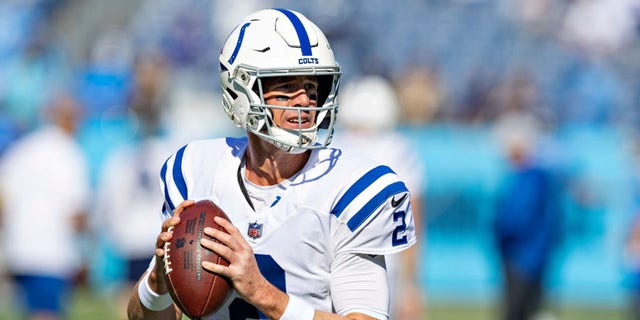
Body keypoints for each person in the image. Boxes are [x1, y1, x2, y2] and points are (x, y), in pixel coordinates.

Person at [127, 8, 416, 320]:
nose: (304, 100)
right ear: (241, 91)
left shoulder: (352, 189)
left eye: (311, 86)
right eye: (288, 86)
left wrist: (263, 294)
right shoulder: (194, 171)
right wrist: (157, 282)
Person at [332, 74, 427, 320]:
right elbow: (410, 218)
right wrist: (411, 285)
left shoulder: (331, 145)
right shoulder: (396, 148)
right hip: (381, 261)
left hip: (329, 259)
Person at [0, 91, 91, 320]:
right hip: (51, 250)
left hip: (20, 249)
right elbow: (76, 212)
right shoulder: (67, 151)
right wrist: (87, 252)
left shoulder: (22, 149)